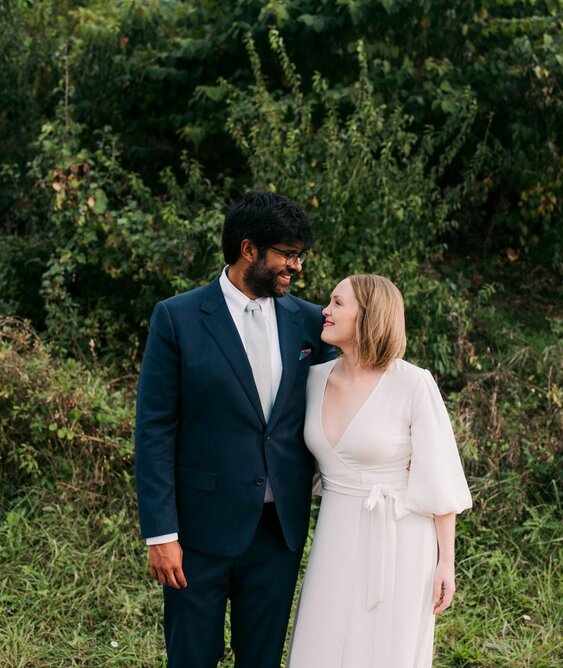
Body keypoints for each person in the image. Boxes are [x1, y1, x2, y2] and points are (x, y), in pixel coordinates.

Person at [134, 191, 335, 668]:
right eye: (288, 255)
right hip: (198, 533)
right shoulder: (177, 317)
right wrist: (160, 534)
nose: (297, 266)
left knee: (262, 661)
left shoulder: (310, 322)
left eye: (300, 255)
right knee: (191, 659)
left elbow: (346, 398)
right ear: (250, 250)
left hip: (278, 533)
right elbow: (154, 429)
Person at [287, 274, 472, 668]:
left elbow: (440, 478)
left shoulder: (413, 384)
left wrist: (446, 563)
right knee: (322, 640)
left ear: (368, 316)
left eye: (338, 303)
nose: (325, 310)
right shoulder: (314, 379)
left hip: (400, 538)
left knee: (384, 650)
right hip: (334, 534)